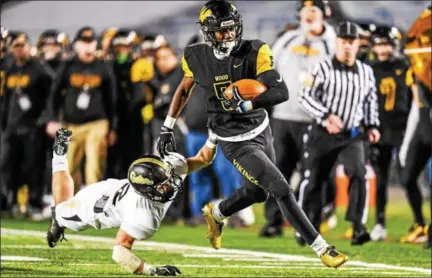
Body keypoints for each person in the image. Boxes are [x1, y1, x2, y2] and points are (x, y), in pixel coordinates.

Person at [156, 0, 347, 268]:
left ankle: (218, 212)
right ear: (208, 33)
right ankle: (322, 248)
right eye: (222, 31)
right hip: (232, 138)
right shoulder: (195, 56)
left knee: (258, 193)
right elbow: (184, 89)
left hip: (261, 128)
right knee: (281, 188)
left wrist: (247, 103)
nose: (229, 35)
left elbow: (281, 92)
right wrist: (168, 126)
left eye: (232, 29)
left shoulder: (255, 50)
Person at [47, 127, 219, 276]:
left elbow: (203, 158)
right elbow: (119, 252)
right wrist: (152, 270)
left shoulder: (171, 169)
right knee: (61, 208)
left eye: (168, 178)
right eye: (163, 184)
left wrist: (213, 138)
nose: (171, 183)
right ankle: (59, 157)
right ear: (148, 191)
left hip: (114, 188)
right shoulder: (143, 215)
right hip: (95, 207)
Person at [298, 21, 380, 246]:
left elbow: (370, 101)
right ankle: (305, 227)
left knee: (359, 174)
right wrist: (326, 116)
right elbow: (304, 96)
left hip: (351, 135)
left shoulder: (366, 72)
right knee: (314, 180)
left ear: (358, 45)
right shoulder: (321, 68)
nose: (347, 45)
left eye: (351, 41)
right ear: (336, 43)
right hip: (323, 134)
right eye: (343, 41)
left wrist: (372, 125)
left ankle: (358, 227)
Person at [261, 0, 336, 237]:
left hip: (315, 119)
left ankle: (310, 221)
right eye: (305, 10)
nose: (309, 14)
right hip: (283, 117)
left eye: (314, 10)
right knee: (277, 170)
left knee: (313, 173)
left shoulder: (332, 42)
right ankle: (273, 221)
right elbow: (267, 70)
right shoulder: (287, 39)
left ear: (325, 14)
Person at [367, 25, 413, 241]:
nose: (383, 49)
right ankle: (379, 223)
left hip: (404, 129)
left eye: (386, 44)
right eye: (379, 44)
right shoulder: (369, 68)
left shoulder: (406, 66)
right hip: (380, 129)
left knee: (409, 177)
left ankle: (420, 223)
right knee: (382, 179)